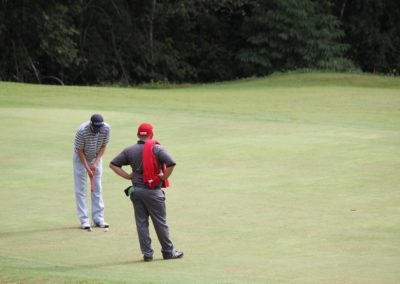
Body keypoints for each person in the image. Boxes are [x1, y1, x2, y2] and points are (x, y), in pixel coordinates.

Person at [109, 122, 183, 262]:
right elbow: (171, 163)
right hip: (153, 192)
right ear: (152, 134)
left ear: (138, 135)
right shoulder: (157, 149)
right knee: (160, 222)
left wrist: (128, 176)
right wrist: (164, 177)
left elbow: (113, 164)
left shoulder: (129, 150)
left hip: (136, 191)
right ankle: (168, 252)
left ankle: (147, 254)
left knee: (141, 223)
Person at [73, 114, 110, 230]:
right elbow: (79, 151)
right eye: (95, 128)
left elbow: (103, 146)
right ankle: (84, 220)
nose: (97, 131)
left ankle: (99, 218)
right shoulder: (82, 130)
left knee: (97, 187)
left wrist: (95, 163)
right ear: (91, 124)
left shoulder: (106, 128)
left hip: (96, 157)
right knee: (81, 189)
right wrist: (87, 168)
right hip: (80, 158)